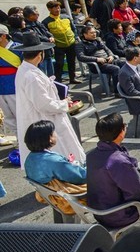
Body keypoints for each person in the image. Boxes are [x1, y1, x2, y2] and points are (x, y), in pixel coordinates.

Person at [15, 31, 86, 166]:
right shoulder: (32, 76)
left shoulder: (25, 70)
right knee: (60, 155)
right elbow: (44, 104)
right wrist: (64, 103)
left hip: (40, 117)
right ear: (40, 54)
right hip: (45, 118)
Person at [23, 120, 86, 186]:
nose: (55, 134)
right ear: (49, 138)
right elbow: (80, 177)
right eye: (53, 132)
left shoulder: (30, 158)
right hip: (63, 192)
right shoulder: (54, 161)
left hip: (45, 193)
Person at [43, 0, 81, 84]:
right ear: (49, 9)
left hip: (71, 43)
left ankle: (72, 78)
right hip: (58, 46)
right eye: (55, 8)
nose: (57, 9)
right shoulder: (46, 22)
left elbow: (73, 28)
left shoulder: (66, 17)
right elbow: (46, 34)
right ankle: (58, 80)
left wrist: (75, 36)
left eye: (58, 7)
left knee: (72, 62)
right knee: (59, 63)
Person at [0, 24, 20, 142]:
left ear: (3, 36)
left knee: (20, 115)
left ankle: (24, 141)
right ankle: (18, 139)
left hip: (15, 87)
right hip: (1, 88)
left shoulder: (18, 48)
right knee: (8, 117)